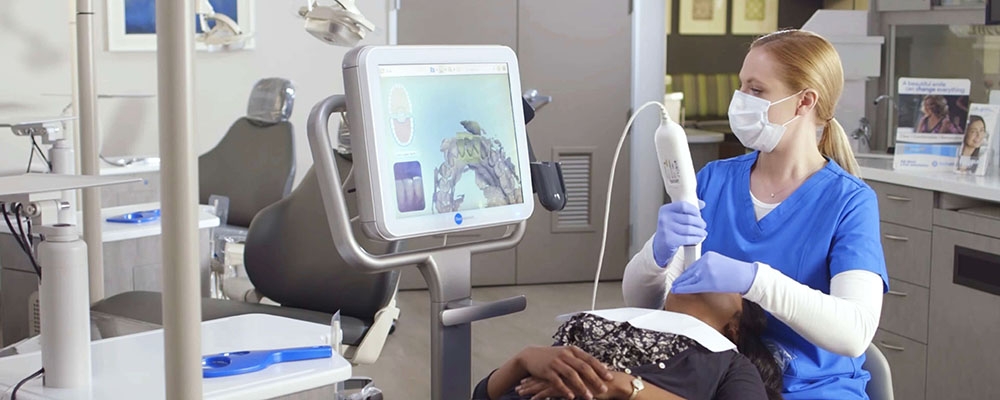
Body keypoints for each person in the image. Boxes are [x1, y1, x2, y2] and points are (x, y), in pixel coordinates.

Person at [623, 30, 888, 399]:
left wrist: (755, 281)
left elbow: (854, 332)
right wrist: (657, 254)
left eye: (756, 90)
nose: (740, 101)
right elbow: (640, 301)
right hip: (713, 380)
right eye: (741, 86)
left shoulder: (850, 202)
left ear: (804, 101)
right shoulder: (715, 180)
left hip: (811, 389)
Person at [472, 292, 783, 400]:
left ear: (734, 328)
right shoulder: (609, 323)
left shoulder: (728, 361)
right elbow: (482, 395)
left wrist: (625, 387)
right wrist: (522, 359)